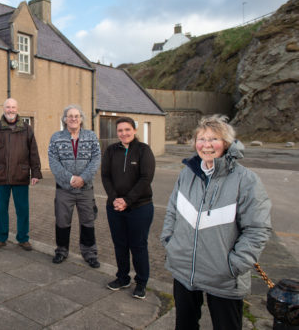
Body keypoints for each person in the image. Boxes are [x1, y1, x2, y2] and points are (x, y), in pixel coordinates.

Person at [161, 115, 272, 330]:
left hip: (223, 277)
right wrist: (169, 242)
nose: (206, 145)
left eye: (214, 139)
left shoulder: (246, 180)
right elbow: (172, 212)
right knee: (184, 324)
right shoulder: (187, 175)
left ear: (226, 144)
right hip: (185, 270)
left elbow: (257, 229)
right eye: (201, 139)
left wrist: (234, 265)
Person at [101, 116, 155, 299]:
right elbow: (105, 176)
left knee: (138, 245)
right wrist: (115, 199)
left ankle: (141, 283)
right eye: (120, 130)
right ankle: (122, 278)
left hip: (140, 207)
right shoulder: (110, 151)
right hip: (115, 207)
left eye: (127, 129)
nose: (123, 133)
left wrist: (127, 201)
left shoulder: (143, 150)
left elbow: (146, 178)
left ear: (134, 130)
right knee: (120, 245)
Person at [0, 98, 42, 251]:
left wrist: (35, 172)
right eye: (8, 107)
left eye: (13, 107)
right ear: (3, 109)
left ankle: (23, 238)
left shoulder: (27, 129)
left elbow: (33, 152)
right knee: (1, 209)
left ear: (17, 108)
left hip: (20, 175)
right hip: (0, 176)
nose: (10, 110)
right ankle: (1, 238)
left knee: (22, 209)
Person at [48, 104, 101, 268]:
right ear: (64, 119)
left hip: (86, 189)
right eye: (70, 116)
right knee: (62, 222)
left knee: (88, 221)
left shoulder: (91, 136)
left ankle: (89, 253)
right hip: (64, 189)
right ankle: (61, 251)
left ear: (81, 119)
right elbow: (53, 162)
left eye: (76, 116)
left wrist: (83, 178)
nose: (73, 119)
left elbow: (96, 159)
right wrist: (71, 178)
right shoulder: (56, 138)